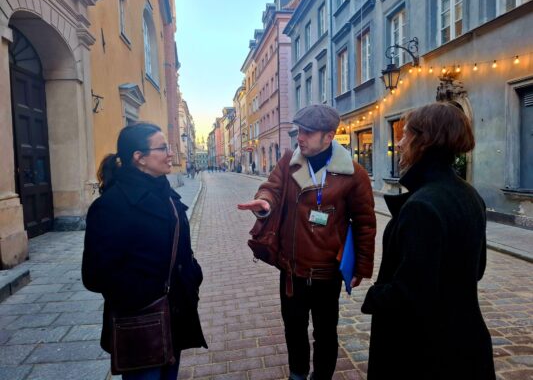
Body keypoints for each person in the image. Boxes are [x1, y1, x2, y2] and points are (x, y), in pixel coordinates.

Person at [238, 105, 376, 380]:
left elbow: (365, 223)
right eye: (299, 130)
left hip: (327, 273)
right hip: (292, 270)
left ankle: (322, 376)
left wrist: (361, 267)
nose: (300, 137)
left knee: (325, 332)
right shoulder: (289, 162)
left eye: (308, 133)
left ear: (329, 136)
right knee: (294, 328)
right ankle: (298, 374)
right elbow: (271, 188)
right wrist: (265, 202)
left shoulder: (353, 174)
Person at [361, 102, 496, 380]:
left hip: (425, 350)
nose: (400, 143)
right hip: (466, 339)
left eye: (405, 134)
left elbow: (410, 294)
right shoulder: (470, 194)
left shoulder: (422, 206)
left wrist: (375, 296)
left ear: (423, 141)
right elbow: (477, 269)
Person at [82, 122, 207, 380]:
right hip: (140, 323)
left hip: (174, 315)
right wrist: (148, 293)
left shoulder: (167, 195)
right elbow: (95, 275)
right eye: (163, 148)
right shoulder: (111, 206)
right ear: (139, 158)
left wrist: (192, 274)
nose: (170, 154)